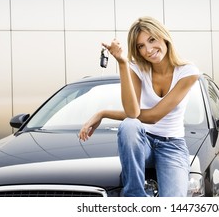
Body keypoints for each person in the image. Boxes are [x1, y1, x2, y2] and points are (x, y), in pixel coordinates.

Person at [79, 16, 199, 197]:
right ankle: (134, 196)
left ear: (163, 37)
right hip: (143, 142)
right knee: (130, 124)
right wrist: (122, 63)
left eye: (151, 40)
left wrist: (103, 113)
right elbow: (132, 113)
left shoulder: (188, 72)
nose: (148, 50)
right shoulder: (137, 69)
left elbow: (154, 115)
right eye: (140, 46)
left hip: (172, 145)